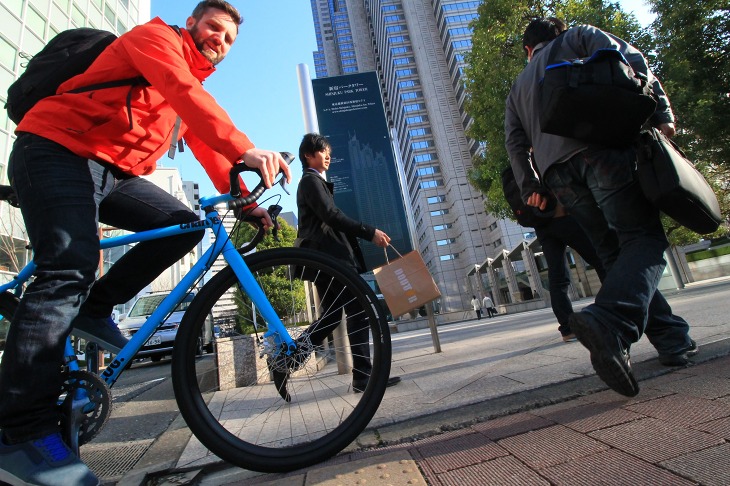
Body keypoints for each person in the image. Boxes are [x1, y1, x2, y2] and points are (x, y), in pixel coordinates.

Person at [0, 2, 292, 485]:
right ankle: (19, 436)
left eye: (230, 39)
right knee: (68, 267)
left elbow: (201, 134)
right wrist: (245, 146)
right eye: (214, 28)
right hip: (57, 146)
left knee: (183, 224)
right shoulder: (154, 40)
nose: (220, 40)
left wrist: (246, 201)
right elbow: (184, 91)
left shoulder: (192, 84)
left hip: (113, 172)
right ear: (193, 23)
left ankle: (95, 308)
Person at [505, 18, 696, 397]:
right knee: (643, 238)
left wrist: (531, 186)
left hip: (558, 175)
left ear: (528, 50)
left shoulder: (518, 87)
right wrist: (661, 115)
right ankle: (610, 323)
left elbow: (514, 142)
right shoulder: (578, 36)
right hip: (602, 151)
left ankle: (671, 339)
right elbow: (631, 58)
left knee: (612, 255)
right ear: (556, 36)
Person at [294, 133, 400, 394]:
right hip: (329, 259)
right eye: (322, 151)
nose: (328, 156)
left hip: (326, 259)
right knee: (359, 310)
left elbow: (329, 218)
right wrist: (369, 231)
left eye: (329, 152)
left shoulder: (315, 181)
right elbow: (332, 216)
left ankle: (287, 359)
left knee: (331, 318)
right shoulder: (310, 181)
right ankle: (363, 377)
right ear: (308, 155)